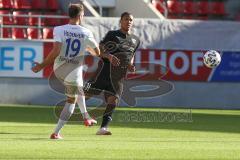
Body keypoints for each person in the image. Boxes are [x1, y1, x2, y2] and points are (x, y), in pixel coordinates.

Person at [32, 3, 101, 139]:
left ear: (69, 14)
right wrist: (88, 48)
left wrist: (42, 65)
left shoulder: (59, 29)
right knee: (71, 100)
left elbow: (56, 50)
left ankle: (86, 117)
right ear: (81, 16)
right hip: (73, 72)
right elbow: (97, 52)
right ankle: (56, 132)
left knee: (78, 89)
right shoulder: (86, 32)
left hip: (59, 69)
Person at [85, 12, 140, 135]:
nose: (129, 21)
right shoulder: (112, 35)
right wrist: (108, 56)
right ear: (120, 21)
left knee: (113, 100)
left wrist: (131, 64)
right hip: (103, 72)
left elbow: (132, 55)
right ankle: (76, 112)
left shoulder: (136, 40)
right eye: (126, 19)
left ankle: (103, 128)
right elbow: (98, 50)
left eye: (131, 19)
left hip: (119, 77)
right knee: (85, 95)